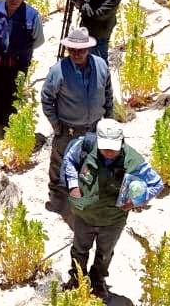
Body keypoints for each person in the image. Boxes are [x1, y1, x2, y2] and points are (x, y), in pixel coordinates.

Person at [61, 119, 164, 297]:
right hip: (84, 215)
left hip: (112, 221)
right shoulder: (85, 146)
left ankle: (98, 281)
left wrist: (136, 201)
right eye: (105, 147)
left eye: (114, 148)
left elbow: (156, 183)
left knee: (105, 254)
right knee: (79, 250)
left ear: (122, 142)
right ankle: (77, 278)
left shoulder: (133, 160)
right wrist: (73, 186)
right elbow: (69, 160)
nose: (109, 152)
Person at [41, 27, 114, 211]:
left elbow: (108, 94)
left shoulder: (101, 65)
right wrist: (57, 126)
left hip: (95, 127)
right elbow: (46, 98)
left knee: (92, 164)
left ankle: (86, 198)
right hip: (68, 129)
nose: (76, 53)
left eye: (80, 49)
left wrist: (109, 120)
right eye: (72, 49)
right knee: (59, 165)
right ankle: (57, 199)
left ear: (88, 49)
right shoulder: (58, 71)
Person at [0, 0, 45, 125]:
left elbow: (38, 40)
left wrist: (21, 51)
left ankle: (9, 120)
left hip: (18, 62)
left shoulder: (32, 16)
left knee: (13, 91)